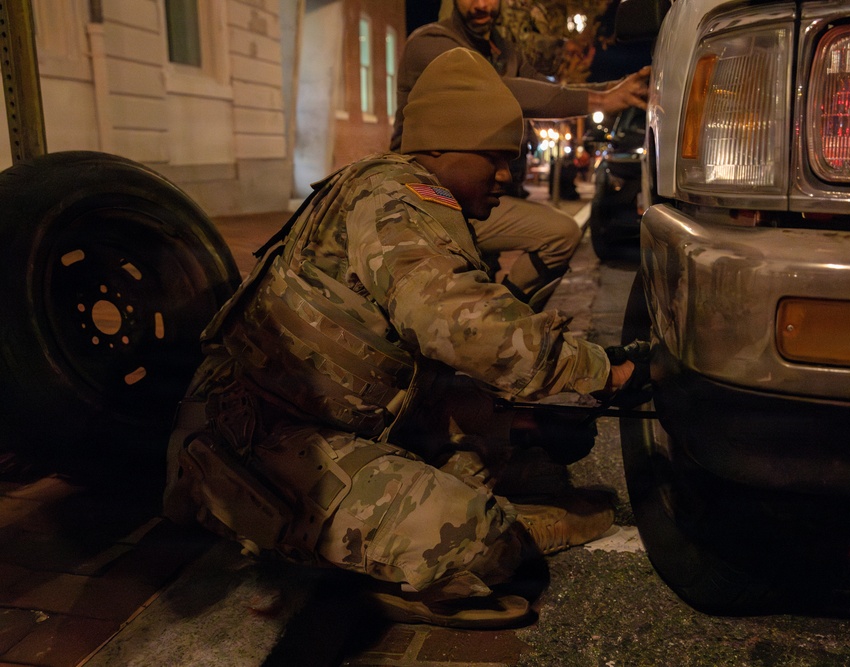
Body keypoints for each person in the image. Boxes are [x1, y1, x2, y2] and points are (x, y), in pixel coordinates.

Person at [162, 48, 643, 630]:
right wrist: (603, 372)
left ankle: (424, 511)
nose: (505, 176)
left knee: (482, 419)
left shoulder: (391, 186)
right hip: (248, 444)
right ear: (438, 149)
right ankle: (459, 546)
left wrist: (525, 413)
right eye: (492, 158)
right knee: (474, 538)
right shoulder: (397, 200)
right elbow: (463, 324)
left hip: (316, 418)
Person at [391, 0, 650, 311]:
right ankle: (501, 318)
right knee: (560, 234)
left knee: (485, 276)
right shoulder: (431, 43)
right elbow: (493, 89)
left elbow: (552, 91)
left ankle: (499, 316)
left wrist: (620, 89)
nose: (481, 5)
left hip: (481, 191)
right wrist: (604, 99)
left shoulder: (503, 51)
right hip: (429, 195)